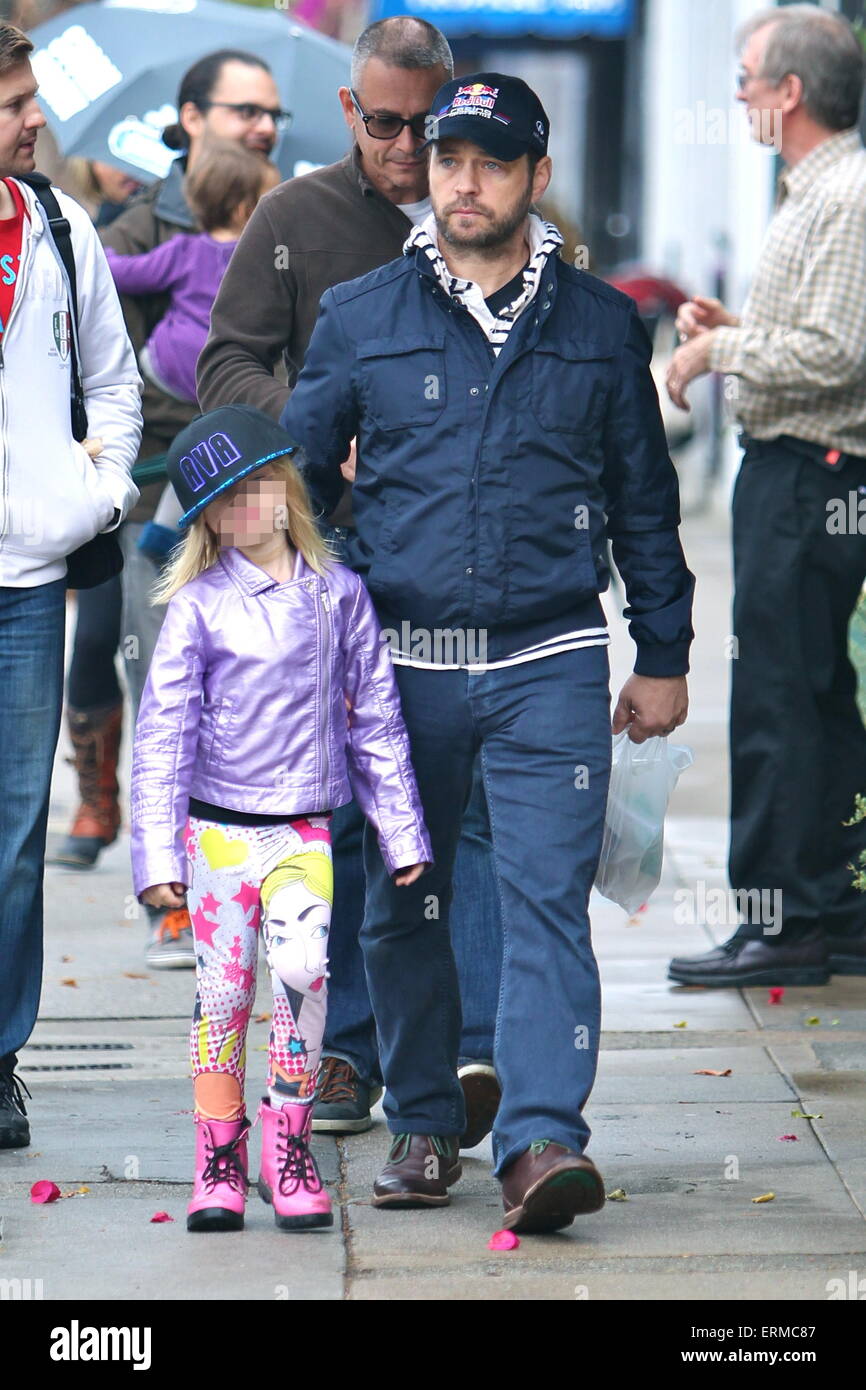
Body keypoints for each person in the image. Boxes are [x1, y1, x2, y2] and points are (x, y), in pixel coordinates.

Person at [282, 72, 694, 1231]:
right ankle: (421, 1121)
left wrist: (659, 651)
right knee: (404, 903)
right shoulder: (364, 314)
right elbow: (303, 486)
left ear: (534, 178)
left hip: (548, 658)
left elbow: (644, 506)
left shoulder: (603, 326)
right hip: (400, 664)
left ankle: (540, 1140)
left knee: (543, 903)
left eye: (490, 161)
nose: (463, 179)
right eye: (448, 157)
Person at [197, 13, 503, 1144]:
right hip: (342, 558)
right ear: (348, 110)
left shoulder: (495, 210)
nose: (408, 146)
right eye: (384, 124)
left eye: (427, 124)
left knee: (465, 814)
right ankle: (347, 1051)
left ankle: (473, 1052)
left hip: (478, 566)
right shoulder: (296, 219)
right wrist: (319, 428)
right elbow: (224, 359)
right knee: (353, 811)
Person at [130, 405, 431, 1231]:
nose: (246, 509)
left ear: (288, 486)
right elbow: (162, 735)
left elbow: (376, 719)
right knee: (222, 996)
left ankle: (288, 1147)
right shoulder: (197, 607)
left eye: (258, 486)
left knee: (303, 979)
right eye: (224, 502)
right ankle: (218, 1161)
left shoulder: (342, 596)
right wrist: (157, 854)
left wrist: (401, 830)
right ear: (205, 521)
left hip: (304, 835)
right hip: (218, 836)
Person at [665, 4, 866, 988]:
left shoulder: (844, 194)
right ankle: (822, 908)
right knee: (811, 697)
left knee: (777, 701)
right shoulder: (818, 192)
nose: (737, 95)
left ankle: (778, 920)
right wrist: (738, 324)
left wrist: (716, 349)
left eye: (746, 78)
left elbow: (836, 354)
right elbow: (818, 332)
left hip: (808, 469)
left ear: (787, 93)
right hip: (803, 466)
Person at [103, 48, 288, 969]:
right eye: (244, 111)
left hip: (263, 498)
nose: (262, 127)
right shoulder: (136, 232)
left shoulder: (287, 220)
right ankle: (169, 897)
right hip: (156, 496)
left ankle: (246, 882)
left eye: (271, 115)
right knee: (168, 697)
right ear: (188, 118)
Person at [0, 22, 142, 1148]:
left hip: (29, 583)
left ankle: (0, 1056)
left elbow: (114, 380)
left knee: (13, 834)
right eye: (12, 100)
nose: (34, 117)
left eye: (30, 95)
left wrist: (96, 494)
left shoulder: (57, 224)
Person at [105, 143, 280, 405]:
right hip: (224, 374)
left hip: (169, 362)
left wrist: (104, 255)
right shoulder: (265, 257)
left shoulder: (186, 250)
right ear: (245, 208)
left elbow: (130, 274)